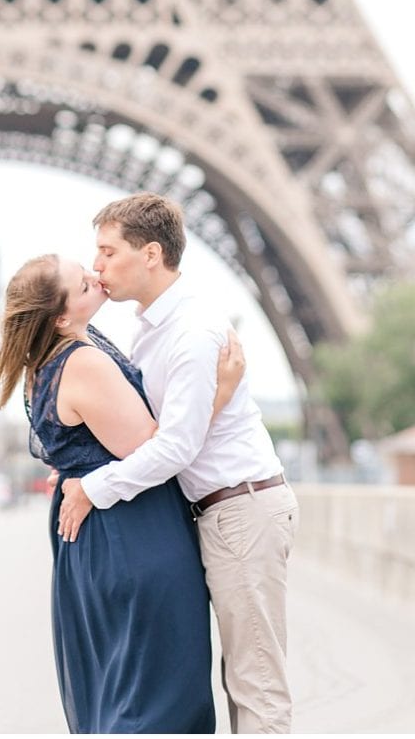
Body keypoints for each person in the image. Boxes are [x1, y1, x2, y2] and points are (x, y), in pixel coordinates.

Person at [58, 193, 298, 733]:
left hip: (241, 510)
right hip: (214, 512)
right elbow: (147, 429)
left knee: (256, 681)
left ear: (149, 253)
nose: (97, 266)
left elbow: (176, 446)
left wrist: (93, 488)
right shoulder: (151, 328)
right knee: (239, 676)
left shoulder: (191, 333)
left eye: (107, 251)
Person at [0, 252, 244, 733]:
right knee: (157, 689)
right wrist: (221, 394)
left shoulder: (44, 365)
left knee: (119, 680)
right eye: (82, 283)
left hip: (94, 538)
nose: (95, 275)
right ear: (62, 315)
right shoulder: (84, 361)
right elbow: (156, 446)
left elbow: (73, 448)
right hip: (133, 530)